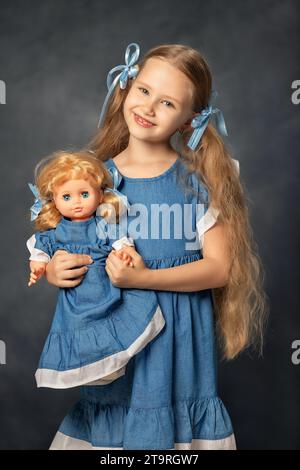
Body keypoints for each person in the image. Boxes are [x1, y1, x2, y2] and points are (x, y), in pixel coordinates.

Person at [45, 43, 268, 450]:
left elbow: (220, 268)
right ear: (126, 88)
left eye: (167, 102)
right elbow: (70, 246)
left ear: (189, 121)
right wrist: (55, 270)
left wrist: (146, 277)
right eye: (144, 91)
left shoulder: (197, 183)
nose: (148, 107)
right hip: (116, 341)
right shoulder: (93, 182)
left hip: (177, 349)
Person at [26, 149, 165, 389]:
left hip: (105, 289)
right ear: (55, 201)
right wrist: (39, 266)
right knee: (79, 328)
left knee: (110, 324)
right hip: (77, 298)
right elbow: (41, 248)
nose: (77, 202)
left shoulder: (102, 224)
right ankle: (90, 368)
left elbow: (119, 239)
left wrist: (123, 251)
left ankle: (111, 363)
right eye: (67, 197)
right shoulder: (58, 231)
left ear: (101, 195)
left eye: (84, 194)